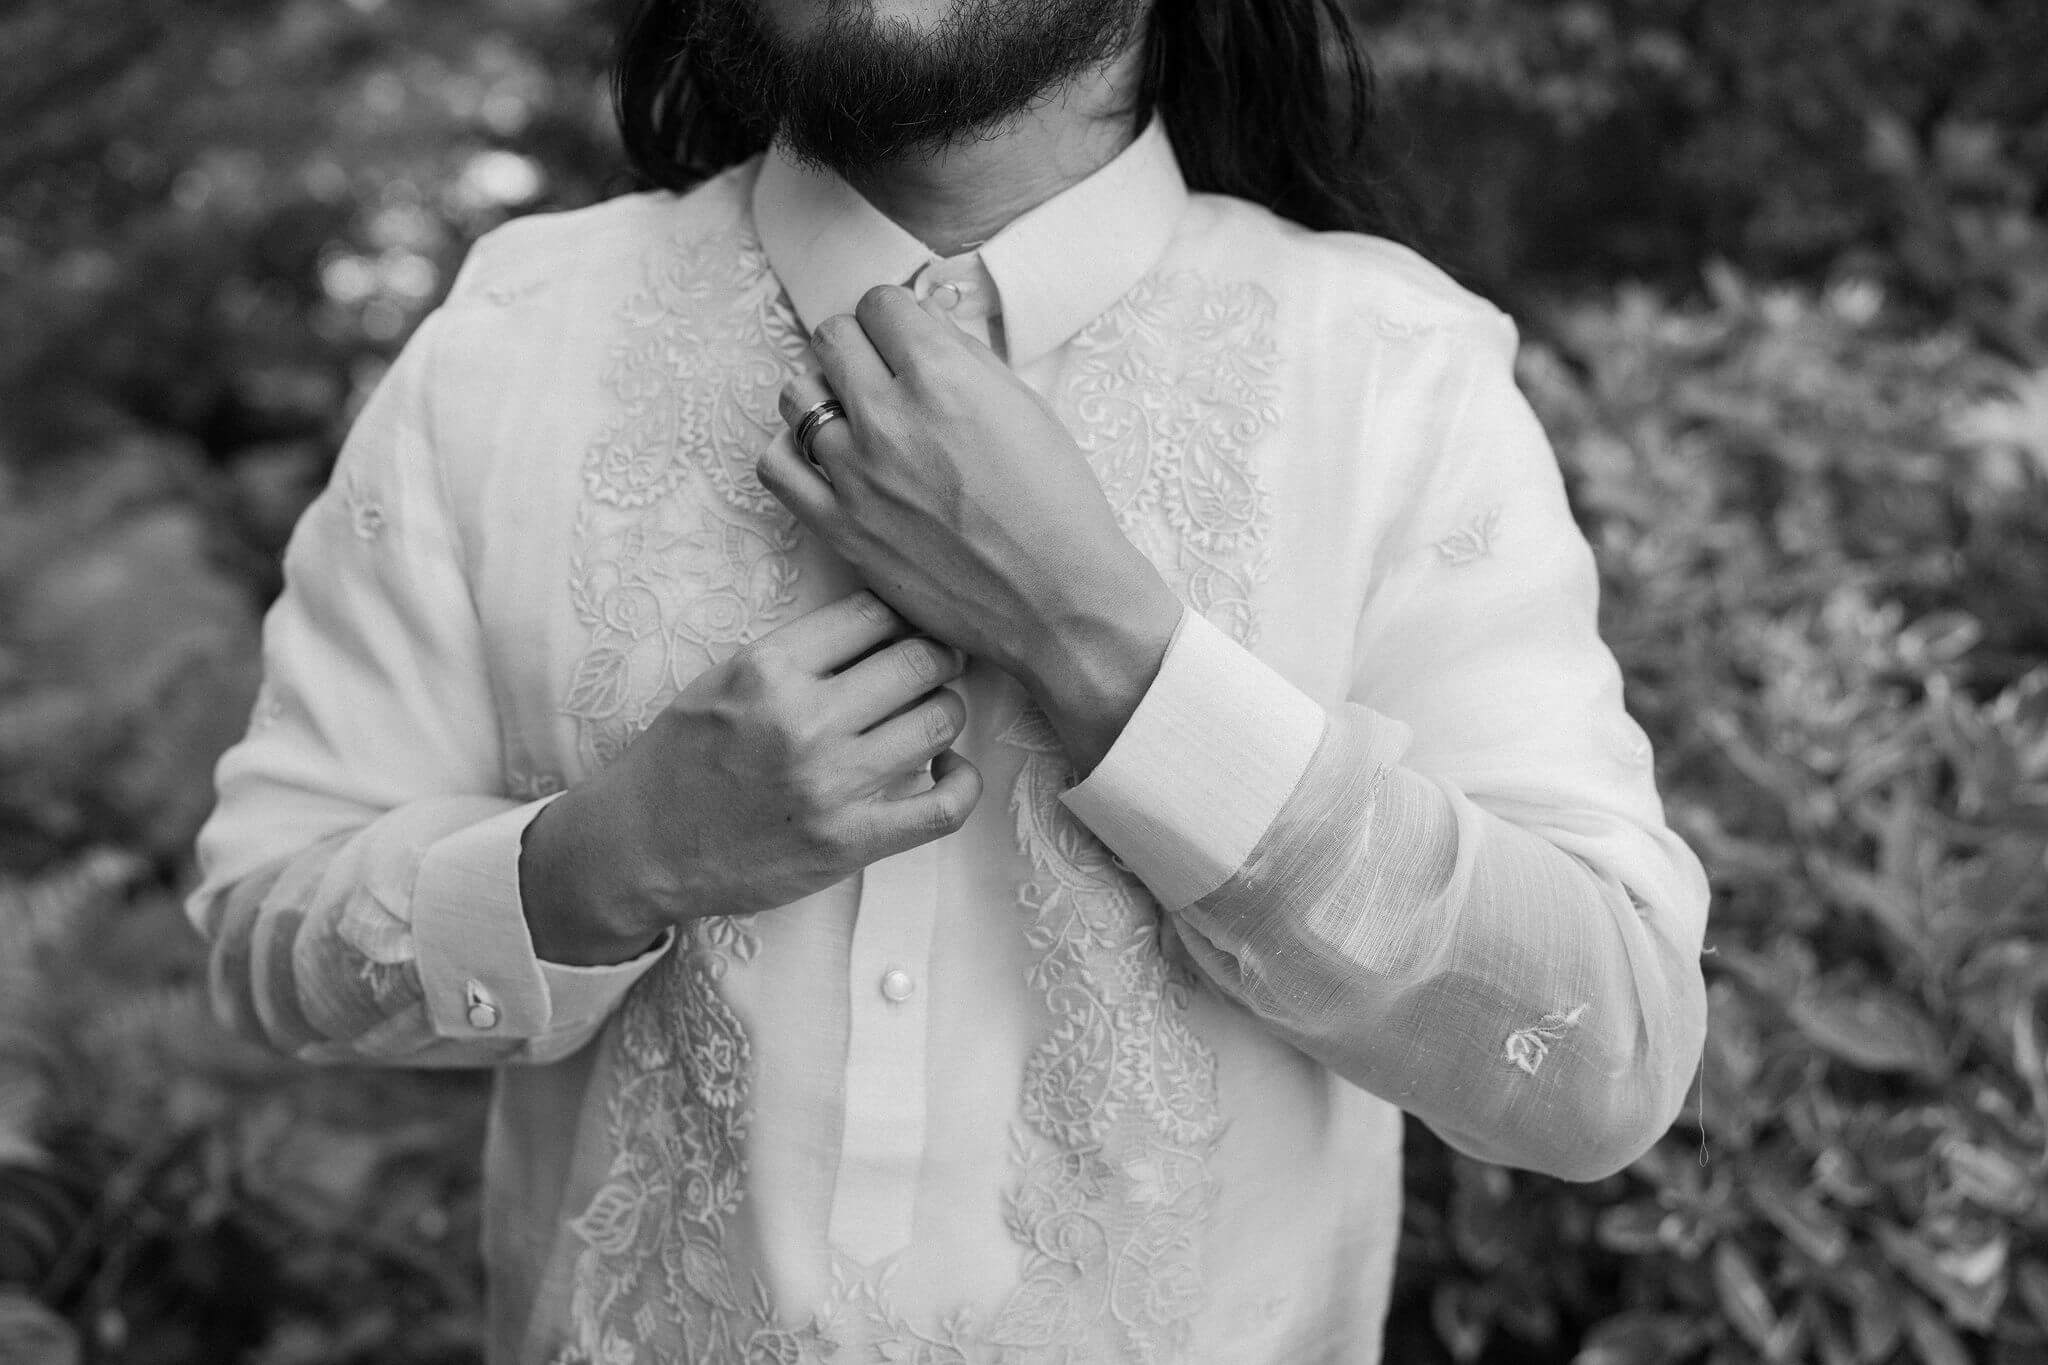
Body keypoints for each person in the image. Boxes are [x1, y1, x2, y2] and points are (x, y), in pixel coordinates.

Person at [187, 0, 1712, 1360]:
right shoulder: (507, 344)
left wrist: (1100, 638)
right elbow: (268, 934)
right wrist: (606, 859)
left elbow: (1602, 1059)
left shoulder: (1397, 375)